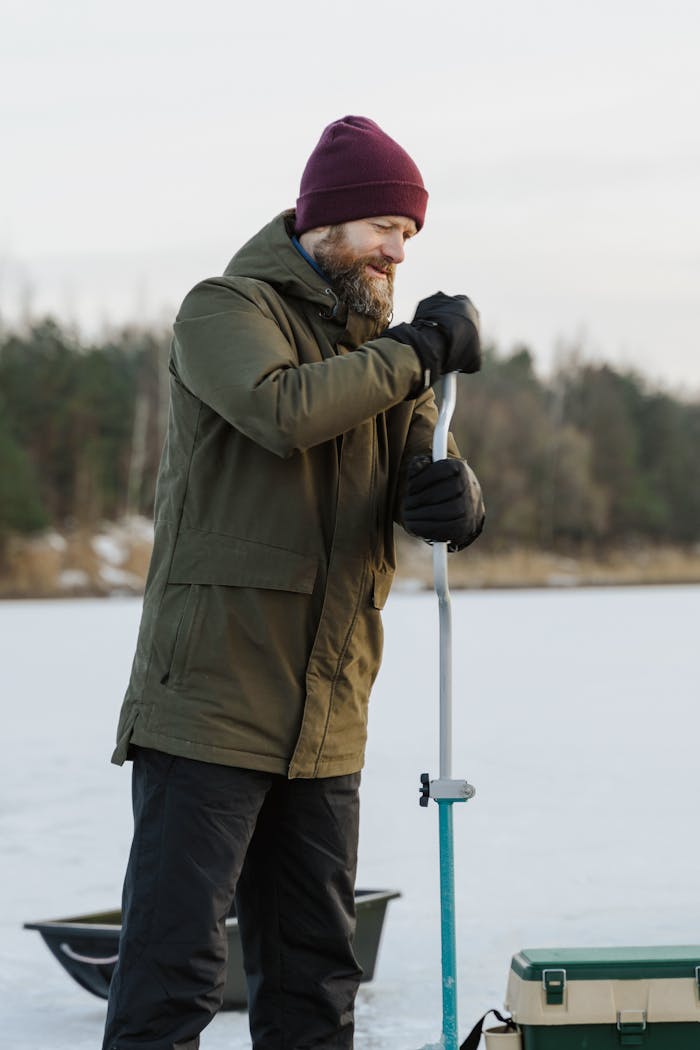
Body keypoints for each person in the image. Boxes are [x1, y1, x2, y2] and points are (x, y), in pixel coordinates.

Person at [103, 114, 485, 1050]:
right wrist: (416, 354)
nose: (401, 250)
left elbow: (421, 470)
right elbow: (283, 411)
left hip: (327, 718)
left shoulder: (389, 356)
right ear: (328, 222)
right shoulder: (222, 310)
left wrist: (458, 499)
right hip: (209, 708)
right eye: (387, 226)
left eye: (411, 235)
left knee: (316, 982)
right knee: (173, 977)